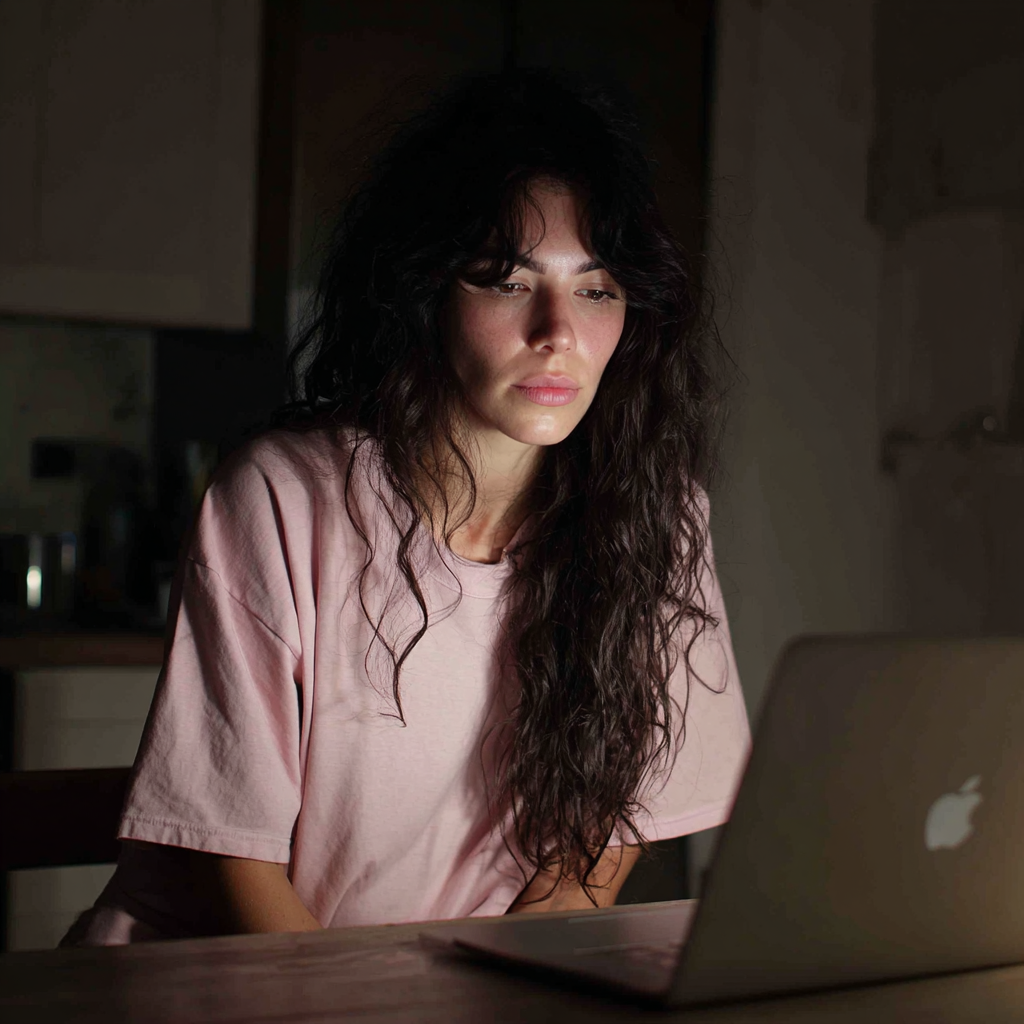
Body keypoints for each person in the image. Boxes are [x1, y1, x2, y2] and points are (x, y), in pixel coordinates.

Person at [60, 68, 750, 945]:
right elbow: (233, 864)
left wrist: (504, 987)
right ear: (427, 292)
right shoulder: (281, 500)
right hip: (218, 978)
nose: (558, 332)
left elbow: (595, 849)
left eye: (597, 288)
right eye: (506, 280)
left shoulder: (658, 517)